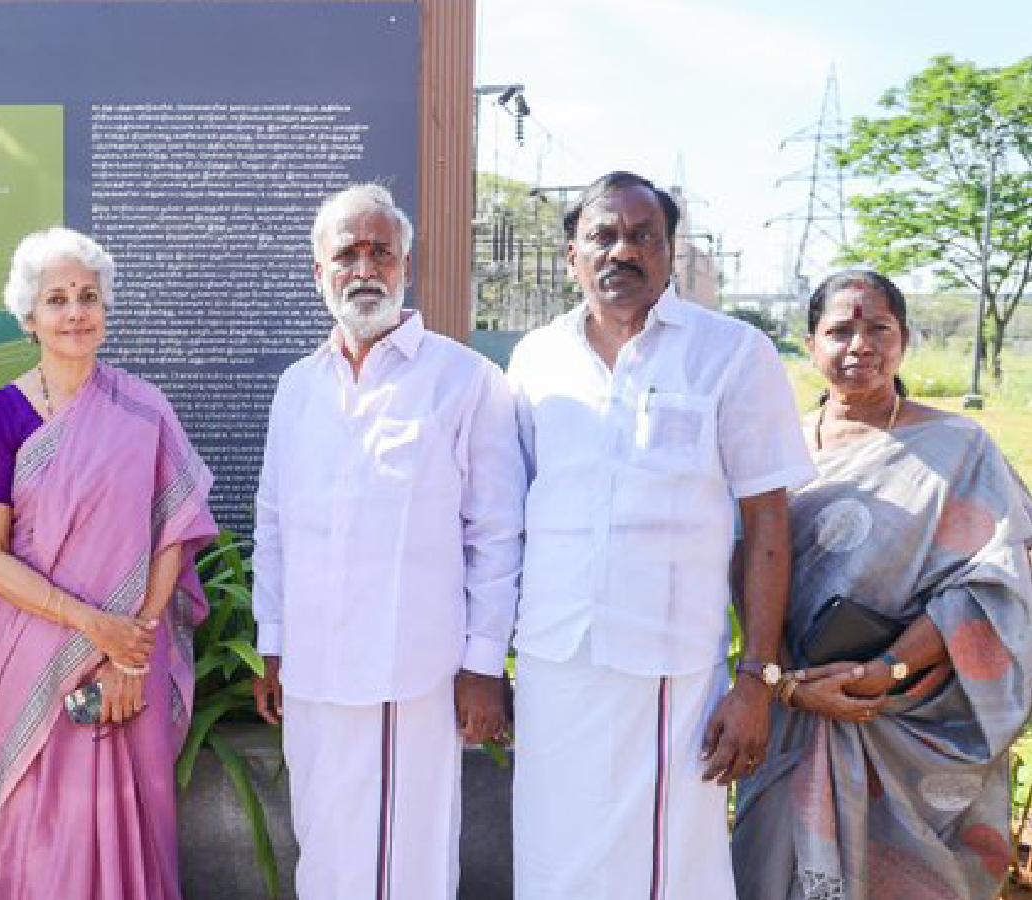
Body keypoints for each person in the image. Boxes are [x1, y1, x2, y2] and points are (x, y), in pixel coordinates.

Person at [507, 171, 816, 899]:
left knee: (666, 872)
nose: (623, 251)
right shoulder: (536, 359)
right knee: (553, 858)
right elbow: (510, 512)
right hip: (555, 663)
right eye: (603, 236)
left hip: (671, 675)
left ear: (670, 251)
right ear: (572, 257)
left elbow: (767, 524)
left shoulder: (731, 353)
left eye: (643, 236)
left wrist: (756, 679)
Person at [251, 184, 525, 899]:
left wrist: (484, 665)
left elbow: (496, 536)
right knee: (323, 850)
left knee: (407, 864)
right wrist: (272, 644)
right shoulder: (297, 388)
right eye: (348, 253)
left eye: (382, 251)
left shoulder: (464, 380)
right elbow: (273, 522)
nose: (365, 268)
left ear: (406, 264)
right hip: (313, 674)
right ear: (320, 272)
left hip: (413, 678)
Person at [731, 269, 1032, 899]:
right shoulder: (775, 451)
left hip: (907, 716)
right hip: (791, 707)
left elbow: (994, 583)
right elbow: (744, 564)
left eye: (879, 329)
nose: (860, 345)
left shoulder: (959, 448)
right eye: (840, 330)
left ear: (905, 341)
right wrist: (789, 686)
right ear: (810, 344)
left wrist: (886, 669)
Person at [0, 227, 217, 900]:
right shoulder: (0, 416)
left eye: (88, 296)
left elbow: (173, 533)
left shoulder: (143, 409)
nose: (75, 312)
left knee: (125, 821)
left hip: (131, 656)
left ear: (106, 308)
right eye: (56, 299)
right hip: (32, 651)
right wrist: (93, 626)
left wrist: (130, 653)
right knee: (34, 827)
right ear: (29, 316)